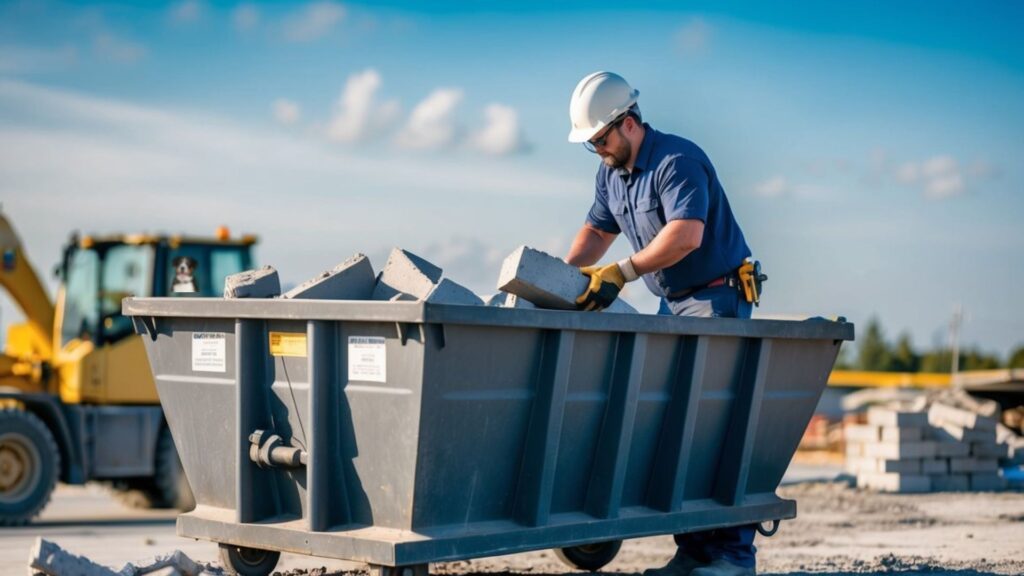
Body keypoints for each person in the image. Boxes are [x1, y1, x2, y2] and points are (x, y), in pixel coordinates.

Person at [564, 71, 759, 576]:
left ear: (628, 124)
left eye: (601, 140)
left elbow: (686, 236)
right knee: (672, 432)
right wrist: (560, 286)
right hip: (672, 305)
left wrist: (623, 273)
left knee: (714, 430)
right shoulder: (611, 173)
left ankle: (734, 558)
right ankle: (695, 552)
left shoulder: (677, 161)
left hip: (717, 300)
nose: (597, 150)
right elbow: (595, 234)